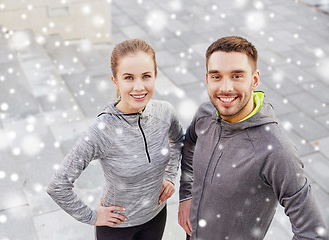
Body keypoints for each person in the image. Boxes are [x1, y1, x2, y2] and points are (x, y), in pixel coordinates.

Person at [178, 36, 328, 240]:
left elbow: (313, 233)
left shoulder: (275, 150)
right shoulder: (205, 113)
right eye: (216, 76)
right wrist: (186, 195)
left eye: (237, 76)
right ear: (207, 79)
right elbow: (189, 145)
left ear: (254, 80)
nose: (225, 88)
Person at [47, 38, 184, 240]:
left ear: (155, 75)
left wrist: (170, 176)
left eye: (146, 76)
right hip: (117, 228)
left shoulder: (165, 111)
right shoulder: (101, 131)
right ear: (116, 81)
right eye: (129, 77)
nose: (139, 87)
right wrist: (91, 216)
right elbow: (58, 186)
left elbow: (179, 140)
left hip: (156, 217)